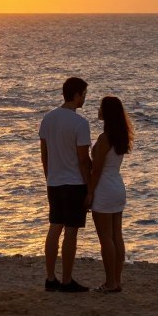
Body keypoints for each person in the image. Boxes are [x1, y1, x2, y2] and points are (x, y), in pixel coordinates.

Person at [38, 77, 92, 292]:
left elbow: (44, 154)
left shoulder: (48, 119)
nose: (84, 98)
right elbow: (83, 159)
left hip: (54, 182)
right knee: (70, 232)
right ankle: (67, 280)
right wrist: (89, 186)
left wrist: (48, 178)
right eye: (84, 94)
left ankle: (50, 277)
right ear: (77, 95)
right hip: (74, 183)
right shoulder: (80, 123)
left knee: (54, 228)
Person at [85, 95, 135, 293]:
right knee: (116, 236)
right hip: (117, 186)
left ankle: (110, 282)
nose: (98, 110)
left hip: (104, 188)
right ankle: (116, 280)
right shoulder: (120, 136)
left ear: (107, 112)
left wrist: (90, 192)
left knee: (106, 238)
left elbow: (97, 169)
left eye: (100, 107)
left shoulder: (105, 138)